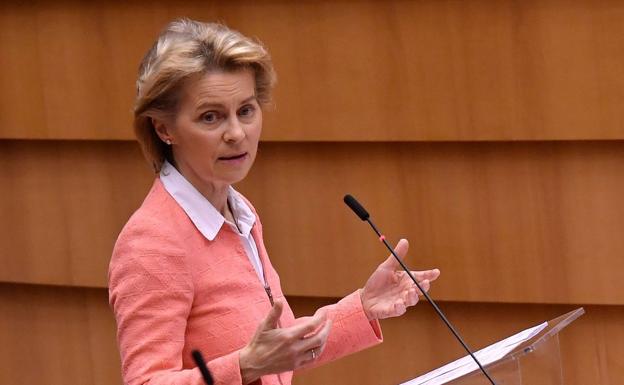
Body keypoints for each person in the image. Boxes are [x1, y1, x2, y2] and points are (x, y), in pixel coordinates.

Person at [108, 19, 440, 385]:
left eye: (246, 111)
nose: (236, 134)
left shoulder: (240, 212)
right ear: (164, 129)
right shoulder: (153, 242)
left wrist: (362, 307)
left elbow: (277, 350)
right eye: (210, 117)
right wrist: (245, 366)